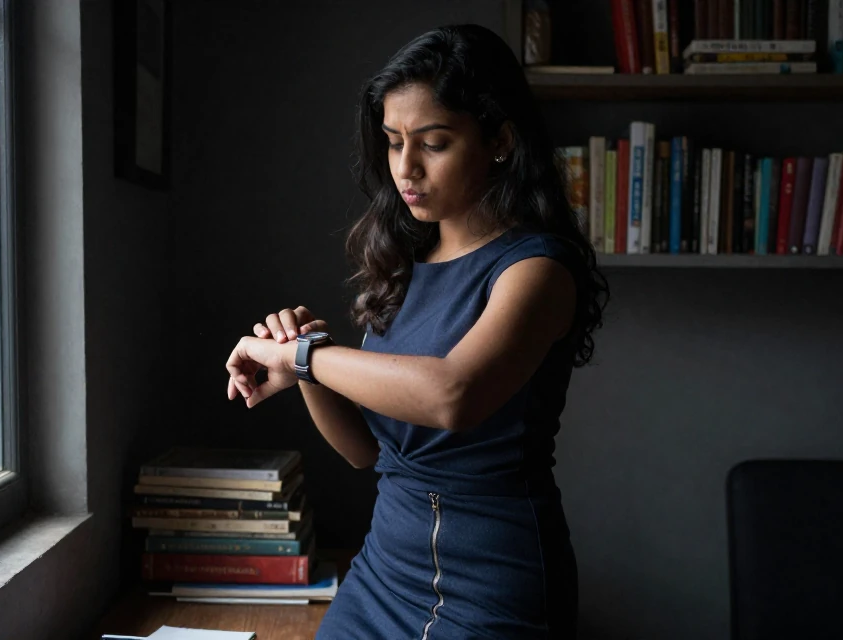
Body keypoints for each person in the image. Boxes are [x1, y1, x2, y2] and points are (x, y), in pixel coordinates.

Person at [223, 23, 608, 640]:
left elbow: (450, 395)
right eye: (393, 141)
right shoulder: (407, 262)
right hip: (384, 572)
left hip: (494, 582)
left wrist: (306, 355)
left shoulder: (537, 270)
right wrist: (300, 370)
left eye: (433, 143)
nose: (406, 168)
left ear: (500, 140)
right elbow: (367, 453)